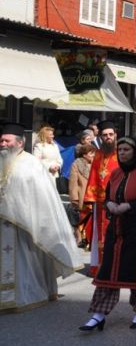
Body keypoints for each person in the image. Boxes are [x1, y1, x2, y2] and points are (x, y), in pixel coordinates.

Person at [80, 137, 136, 331]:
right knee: (109, 269)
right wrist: (109, 204)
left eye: (126, 150)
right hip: (116, 228)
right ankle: (99, 314)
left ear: (135, 151)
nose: (122, 153)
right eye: (120, 150)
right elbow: (108, 196)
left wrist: (129, 206)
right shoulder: (115, 174)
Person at [0, 123, 82, 312]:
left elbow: (41, 197)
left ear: (20, 143)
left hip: (24, 224)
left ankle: (23, 295)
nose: (3, 144)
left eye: (7, 141)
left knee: (24, 263)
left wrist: (19, 209)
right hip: (3, 224)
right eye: (1, 141)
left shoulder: (31, 164)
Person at [83, 120, 119, 276]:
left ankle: (116, 267)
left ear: (115, 135)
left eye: (111, 134)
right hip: (100, 203)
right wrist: (90, 200)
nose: (108, 137)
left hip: (118, 203)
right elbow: (93, 177)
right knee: (100, 236)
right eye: (105, 135)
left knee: (116, 235)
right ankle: (99, 267)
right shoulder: (97, 154)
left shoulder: (122, 153)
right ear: (101, 137)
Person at [69, 143, 96, 246]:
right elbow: (73, 183)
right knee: (81, 218)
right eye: (91, 153)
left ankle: (89, 239)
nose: (93, 155)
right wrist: (74, 198)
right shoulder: (76, 164)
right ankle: (80, 238)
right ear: (84, 154)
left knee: (92, 218)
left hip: (94, 195)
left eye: (94, 153)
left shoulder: (96, 164)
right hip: (82, 195)